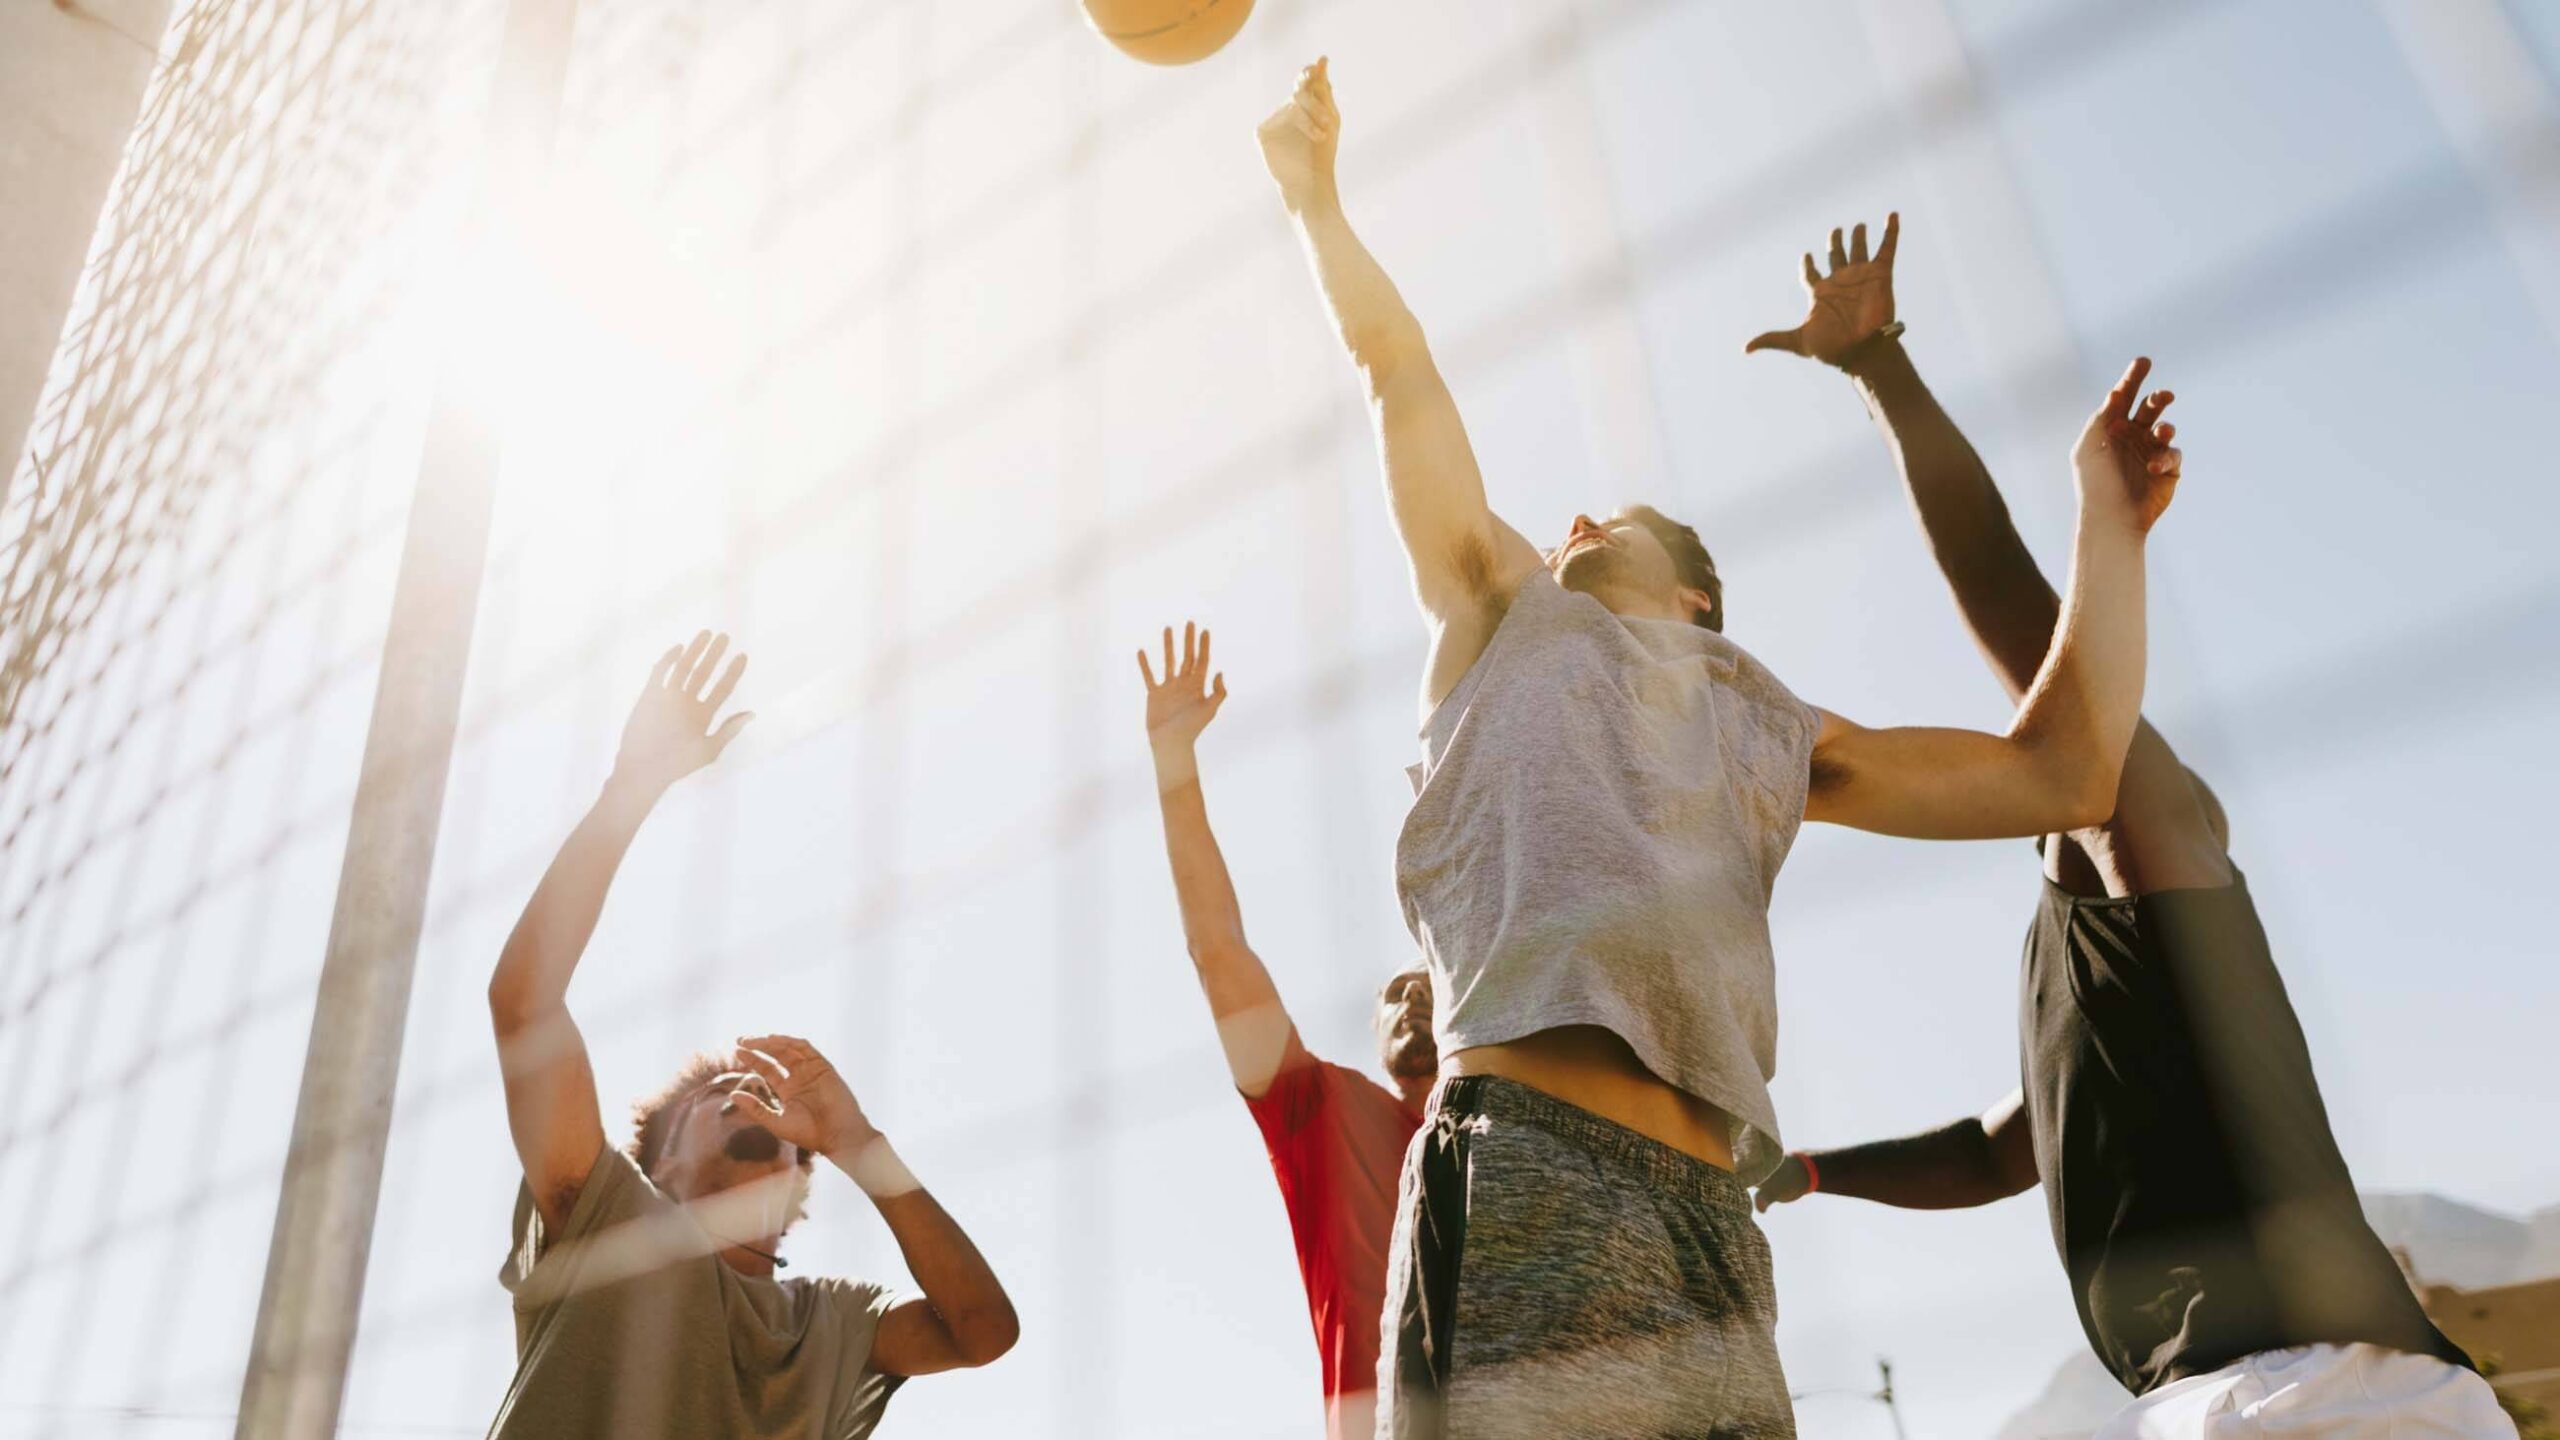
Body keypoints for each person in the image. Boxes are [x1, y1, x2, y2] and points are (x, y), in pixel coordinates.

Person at [1257, 59, 2181, 1440]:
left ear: (1693, 592)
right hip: (1532, 1174)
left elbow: (2062, 777)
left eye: (1605, 519)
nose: (1566, 519)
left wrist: (2108, 529)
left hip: (1713, 1236)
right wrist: (1317, 203)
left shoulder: (1770, 724)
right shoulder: (1505, 616)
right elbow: (1400, 375)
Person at [1746, 215, 2511, 1439]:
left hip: (2323, 1392)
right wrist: (1808, 1172)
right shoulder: (2085, 968)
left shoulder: (2159, 841)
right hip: (2222, 1395)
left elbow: (2005, 594)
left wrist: (1879, 366)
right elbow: (1993, 1153)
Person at [483, 632, 1019, 1437]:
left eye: (773, 1102)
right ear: (659, 1161)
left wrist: (858, 1142)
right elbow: (525, 1006)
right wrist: (630, 790)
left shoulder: (834, 1323)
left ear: (802, 1179)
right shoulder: (610, 1222)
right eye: (719, 1097)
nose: (753, 1096)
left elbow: (983, 1332)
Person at [1138, 620, 1434, 1440]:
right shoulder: (1322, 1111)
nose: (1408, 1001)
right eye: (1391, 997)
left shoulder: (1521, 1120)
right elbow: (1217, 950)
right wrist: (1174, 765)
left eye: (1426, 987)